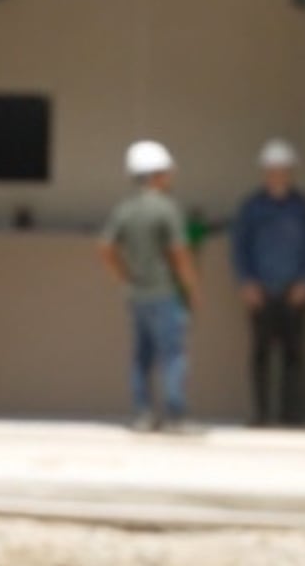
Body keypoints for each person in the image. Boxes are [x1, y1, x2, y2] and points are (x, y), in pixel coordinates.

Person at [97, 139, 201, 432]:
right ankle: (176, 416)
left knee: (142, 357)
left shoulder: (125, 209)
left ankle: (143, 414)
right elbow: (180, 254)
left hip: (137, 295)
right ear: (157, 175)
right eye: (167, 172)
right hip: (165, 293)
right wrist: (192, 289)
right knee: (173, 355)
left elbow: (105, 247)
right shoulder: (167, 209)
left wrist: (122, 277)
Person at [231, 137, 305, 427]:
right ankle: (260, 414)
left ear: (290, 172)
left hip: (294, 290)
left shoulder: (304, 206)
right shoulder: (252, 207)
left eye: (283, 169)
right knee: (261, 354)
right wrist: (247, 282)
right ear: (265, 172)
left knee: (294, 354)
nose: (278, 175)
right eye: (273, 169)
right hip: (261, 290)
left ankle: (292, 414)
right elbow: (240, 246)